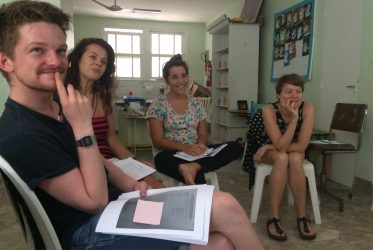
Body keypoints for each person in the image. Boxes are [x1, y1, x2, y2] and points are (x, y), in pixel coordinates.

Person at [0, 1, 264, 249]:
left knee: (222, 242)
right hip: (88, 231)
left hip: (117, 206)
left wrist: (129, 183)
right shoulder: (22, 133)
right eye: (37, 50)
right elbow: (94, 201)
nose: (56, 61)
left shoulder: (54, 108)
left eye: (59, 50)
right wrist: (83, 128)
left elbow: (100, 161)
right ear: (5, 61)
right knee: (224, 206)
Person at [65, 37, 163, 188]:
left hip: (110, 162)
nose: (98, 62)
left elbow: (112, 139)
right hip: (82, 165)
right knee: (144, 190)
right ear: (77, 59)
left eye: (104, 61)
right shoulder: (64, 98)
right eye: (93, 57)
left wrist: (134, 162)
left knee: (154, 184)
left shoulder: (103, 98)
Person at [146, 54, 243, 185]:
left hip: (195, 152)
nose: (181, 81)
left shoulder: (196, 103)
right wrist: (185, 148)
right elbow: (157, 141)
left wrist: (200, 145)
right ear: (166, 80)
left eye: (184, 75)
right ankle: (196, 169)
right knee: (197, 177)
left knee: (235, 147)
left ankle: (194, 166)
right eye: (175, 77)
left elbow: (202, 134)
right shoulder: (158, 105)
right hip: (168, 155)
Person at [253, 73, 316, 241]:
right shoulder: (269, 109)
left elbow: (302, 146)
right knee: (282, 157)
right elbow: (280, 147)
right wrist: (294, 120)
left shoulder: (308, 108)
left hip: (288, 148)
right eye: (288, 91)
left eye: (298, 91)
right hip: (266, 150)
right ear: (278, 94)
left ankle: (302, 217)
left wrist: (272, 145)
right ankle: (273, 218)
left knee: (295, 158)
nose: (294, 95)